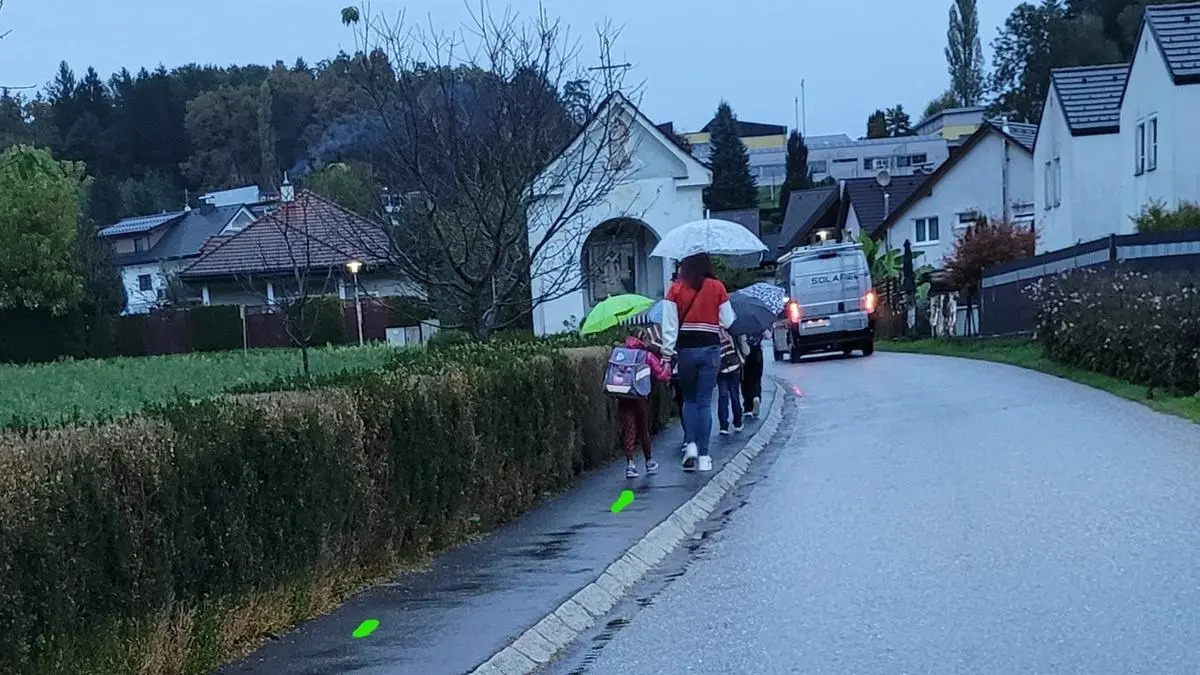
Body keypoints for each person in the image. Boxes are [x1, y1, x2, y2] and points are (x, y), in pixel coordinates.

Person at [660, 253, 735, 472]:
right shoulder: (717, 287)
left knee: (689, 400)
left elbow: (669, 326)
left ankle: (691, 445)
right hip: (710, 349)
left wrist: (667, 355)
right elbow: (728, 320)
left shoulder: (675, 289)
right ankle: (704, 456)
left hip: (686, 351)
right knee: (704, 402)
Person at [617, 327, 671, 478]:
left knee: (629, 429)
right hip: (640, 395)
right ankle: (649, 461)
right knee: (643, 429)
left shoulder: (621, 352)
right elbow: (662, 375)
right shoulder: (646, 355)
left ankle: (630, 464)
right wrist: (667, 365)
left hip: (623, 394)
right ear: (643, 339)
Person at [717, 327, 745, 434]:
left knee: (723, 396)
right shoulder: (732, 328)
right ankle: (737, 422)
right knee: (734, 395)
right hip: (734, 365)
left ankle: (724, 426)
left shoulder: (713, 330)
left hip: (721, 367)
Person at [741, 330, 765, 418]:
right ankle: (756, 396)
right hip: (757, 354)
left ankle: (748, 406)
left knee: (745, 381)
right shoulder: (758, 325)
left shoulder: (740, 326)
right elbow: (768, 335)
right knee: (757, 379)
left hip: (745, 356)